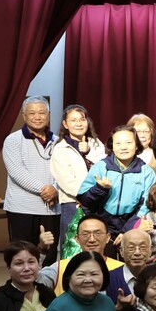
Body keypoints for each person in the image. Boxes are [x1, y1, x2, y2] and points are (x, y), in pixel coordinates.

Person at [3, 97, 60, 265]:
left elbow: (64, 171)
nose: (37, 117)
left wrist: (55, 189)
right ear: (24, 115)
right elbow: (16, 171)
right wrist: (46, 190)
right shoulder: (13, 140)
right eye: (32, 113)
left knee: (49, 256)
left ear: (48, 115)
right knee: (21, 255)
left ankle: (46, 283)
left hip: (52, 209)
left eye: (42, 113)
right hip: (21, 208)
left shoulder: (58, 141)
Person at [77, 125, 156, 240]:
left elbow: (146, 205)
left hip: (132, 226)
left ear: (136, 146)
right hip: (100, 227)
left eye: (129, 142)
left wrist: (128, 229)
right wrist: (99, 189)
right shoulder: (100, 167)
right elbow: (85, 202)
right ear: (112, 146)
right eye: (118, 143)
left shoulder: (146, 172)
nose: (123, 147)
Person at [51, 104, 106, 252]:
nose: (79, 123)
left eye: (82, 119)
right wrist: (87, 196)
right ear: (65, 124)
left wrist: (88, 151)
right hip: (73, 204)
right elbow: (66, 181)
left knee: (96, 248)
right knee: (73, 248)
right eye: (73, 120)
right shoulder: (60, 148)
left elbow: (104, 167)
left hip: (97, 203)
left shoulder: (96, 144)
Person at [36, 213, 125, 293]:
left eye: (97, 233)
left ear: (108, 237)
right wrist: (41, 250)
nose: (92, 239)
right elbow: (34, 283)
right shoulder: (60, 267)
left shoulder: (121, 269)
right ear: (77, 239)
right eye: (85, 234)